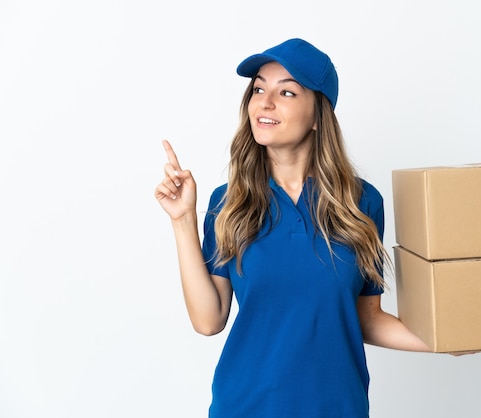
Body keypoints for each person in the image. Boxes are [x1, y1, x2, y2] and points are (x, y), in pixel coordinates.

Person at [155, 38, 438, 418]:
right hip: (245, 407)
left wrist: (446, 337)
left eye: (286, 91)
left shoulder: (362, 203)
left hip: (338, 408)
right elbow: (209, 320)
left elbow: (366, 318)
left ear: (319, 114)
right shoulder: (229, 202)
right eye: (258, 88)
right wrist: (182, 220)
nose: (265, 102)